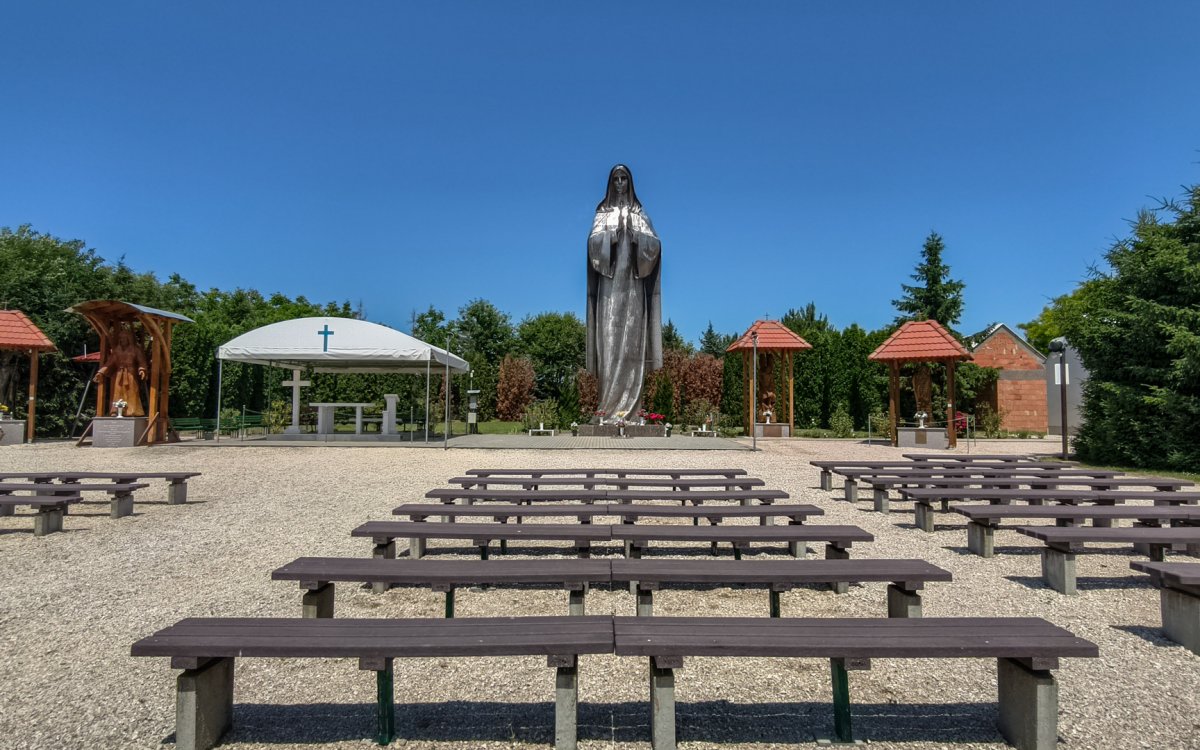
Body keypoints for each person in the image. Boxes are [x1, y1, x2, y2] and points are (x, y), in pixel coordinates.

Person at [586, 165, 662, 420]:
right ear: (611, 183)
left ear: (630, 183)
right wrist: (613, 237)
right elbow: (592, 244)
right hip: (609, 290)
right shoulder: (603, 213)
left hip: (633, 288)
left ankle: (633, 410)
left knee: (632, 342)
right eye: (616, 179)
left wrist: (637, 237)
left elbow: (655, 245)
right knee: (609, 342)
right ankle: (606, 408)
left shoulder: (639, 213)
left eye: (624, 179)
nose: (620, 183)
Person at [96, 326, 148, 416]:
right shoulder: (117, 350)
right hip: (119, 374)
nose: (121, 340)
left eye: (124, 338)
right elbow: (109, 363)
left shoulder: (135, 350)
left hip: (131, 374)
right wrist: (101, 372)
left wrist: (142, 370)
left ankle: (132, 411)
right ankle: (115, 411)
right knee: (117, 392)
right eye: (120, 338)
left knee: (132, 392)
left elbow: (141, 362)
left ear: (129, 339)